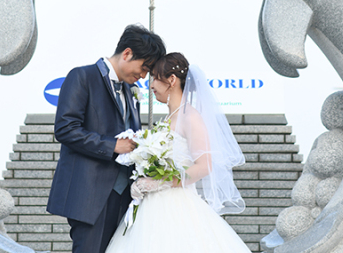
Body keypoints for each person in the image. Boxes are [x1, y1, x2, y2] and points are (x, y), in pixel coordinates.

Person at [104, 52, 251, 253]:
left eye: (155, 77)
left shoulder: (190, 116)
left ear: (171, 80)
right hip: (151, 207)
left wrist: (161, 182)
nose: (151, 84)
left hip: (177, 206)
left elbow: (204, 165)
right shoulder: (167, 118)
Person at [47, 24, 166, 253]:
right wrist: (113, 145)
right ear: (128, 53)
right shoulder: (82, 76)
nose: (142, 77)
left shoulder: (131, 93)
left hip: (125, 197)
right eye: (143, 69)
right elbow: (65, 128)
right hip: (91, 195)